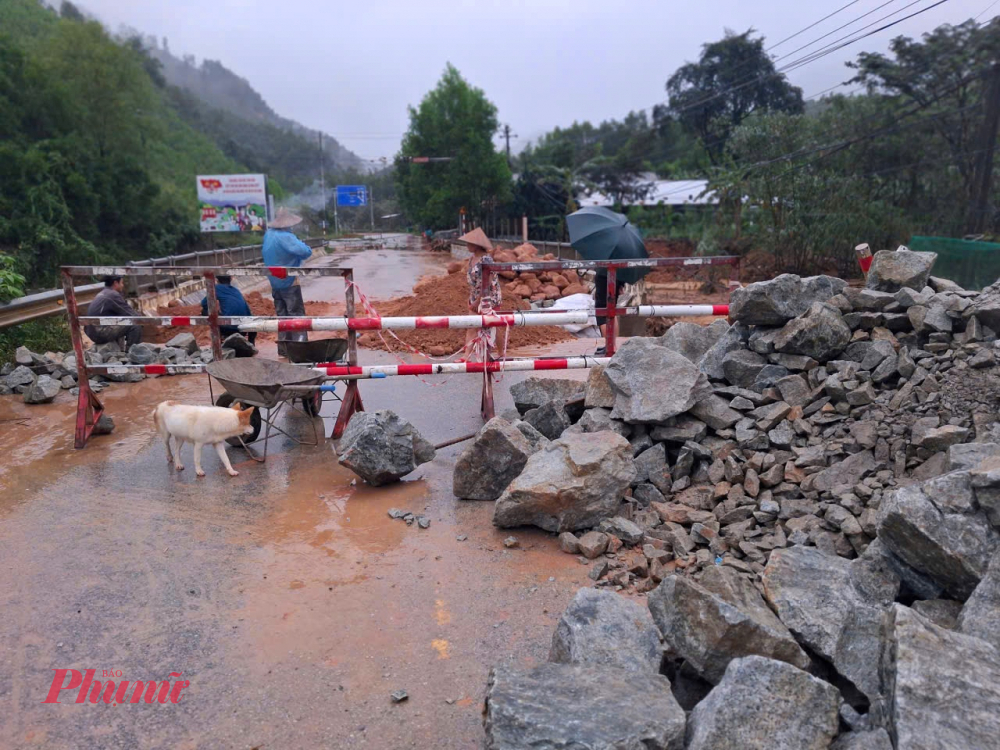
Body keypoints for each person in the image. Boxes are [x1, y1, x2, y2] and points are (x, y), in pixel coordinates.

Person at [262, 208, 312, 357]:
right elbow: (305, 251)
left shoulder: (268, 234)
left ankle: (283, 350)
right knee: (296, 315)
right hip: (288, 280)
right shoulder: (286, 237)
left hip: (274, 280)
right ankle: (300, 349)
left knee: (282, 316)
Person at [461, 227, 501, 360]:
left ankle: (501, 353)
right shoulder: (472, 258)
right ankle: (466, 355)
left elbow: (487, 282)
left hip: (489, 297)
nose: (466, 246)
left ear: (476, 245)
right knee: (471, 326)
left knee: (494, 325)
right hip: (474, 296)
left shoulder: (486, 260)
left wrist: (478, 301)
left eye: (469, 243)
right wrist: (472, 299)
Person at [84, 276, 143, 351]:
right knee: (135, 324)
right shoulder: (113, 295)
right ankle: (133, 354)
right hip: (99, 332)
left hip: (92, 330)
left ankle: (120, 351)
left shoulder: (104, 292)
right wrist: (143, 319)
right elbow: (130, 314)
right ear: (115, 283)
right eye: (121, 283)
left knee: (121, 321)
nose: (123, 285)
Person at [200, 276, 256, 348]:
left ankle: (217, 342)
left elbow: (204, 303)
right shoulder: (236, 290)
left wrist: (216, 312)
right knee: (251, 317)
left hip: (228, 328)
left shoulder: (216, 288)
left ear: (217, 280)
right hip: (245, 329)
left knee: (204, 311)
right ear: (231, 279)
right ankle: (251, 342)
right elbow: (248, 312)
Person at [593, 268, 626, 356]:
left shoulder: (606, 258)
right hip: (617, 276)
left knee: (603, 312)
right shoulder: (620, 257)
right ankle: (612, 345)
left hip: (604, 276)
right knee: (612, 310)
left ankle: (609, 346)